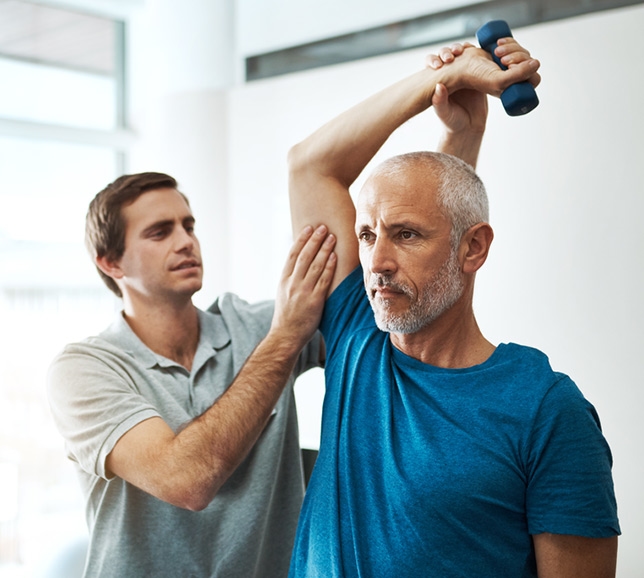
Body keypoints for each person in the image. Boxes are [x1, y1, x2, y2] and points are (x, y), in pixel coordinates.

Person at [287, 39, 620, 577]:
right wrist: (440, 85)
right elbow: (309, 165)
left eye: (405, 236)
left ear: (475, 248)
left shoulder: (546, 411)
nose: (377, 262)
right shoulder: (357, 336)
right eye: (367, 235)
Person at [46, 172, 338, 577]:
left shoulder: (258, 328)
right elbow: (188, 481)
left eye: (188, 226)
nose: (186, 241)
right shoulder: (83, 370)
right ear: (111, 262)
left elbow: (376, 327)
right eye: (159, 232)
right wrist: (287, 336)